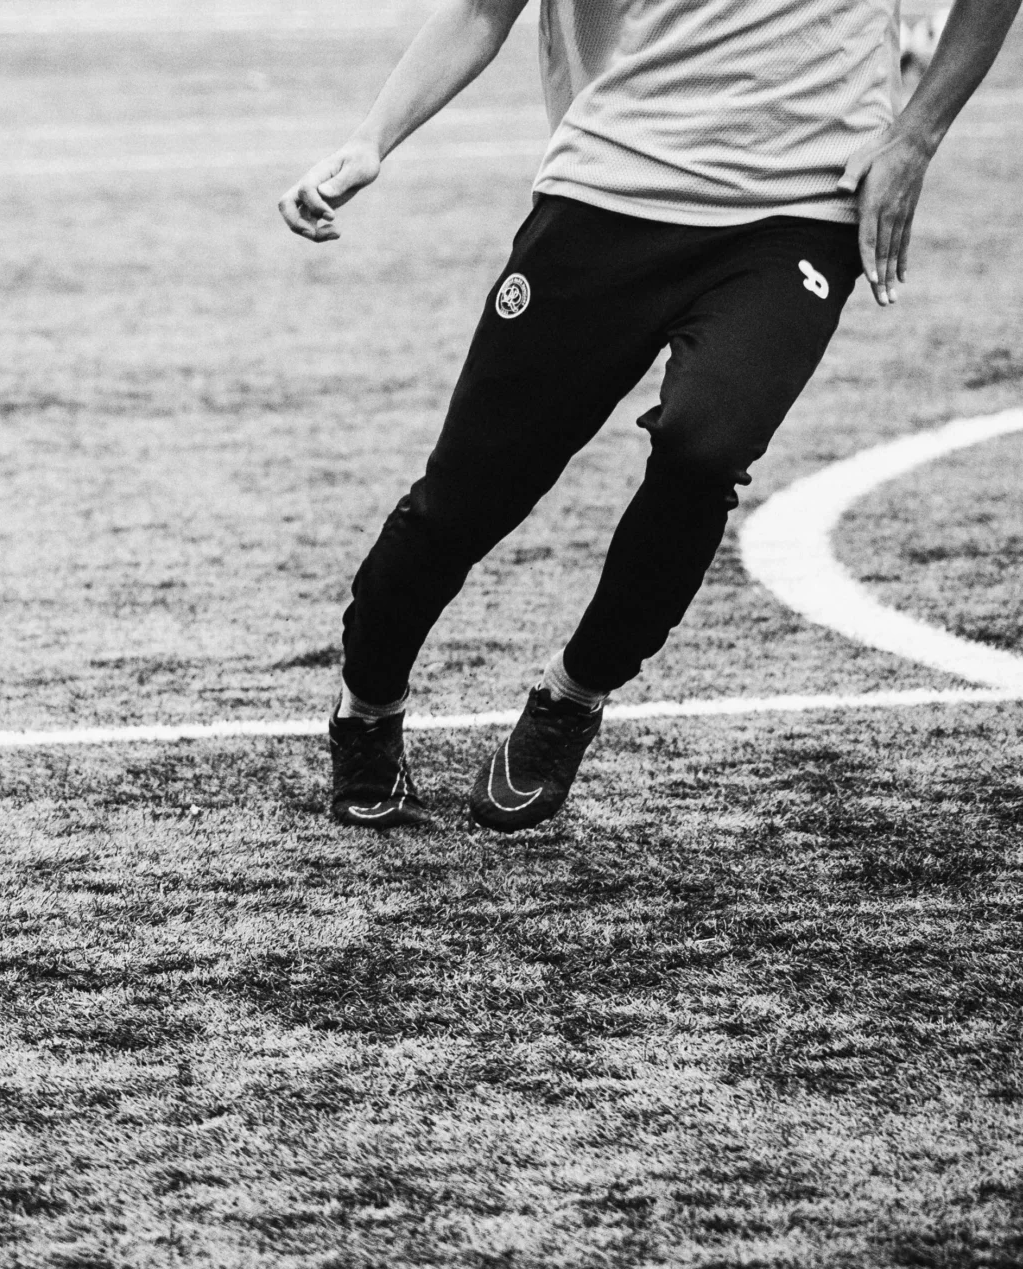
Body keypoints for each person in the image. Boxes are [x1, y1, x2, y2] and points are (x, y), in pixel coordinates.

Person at [280, 0, 1017, 831]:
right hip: (606, 192)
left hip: (802, 209)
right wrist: (373, 137)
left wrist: (916, 134)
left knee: (704, 449)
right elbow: (485, 12)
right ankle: (367, 711)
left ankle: (572, 697)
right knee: (466, 499)